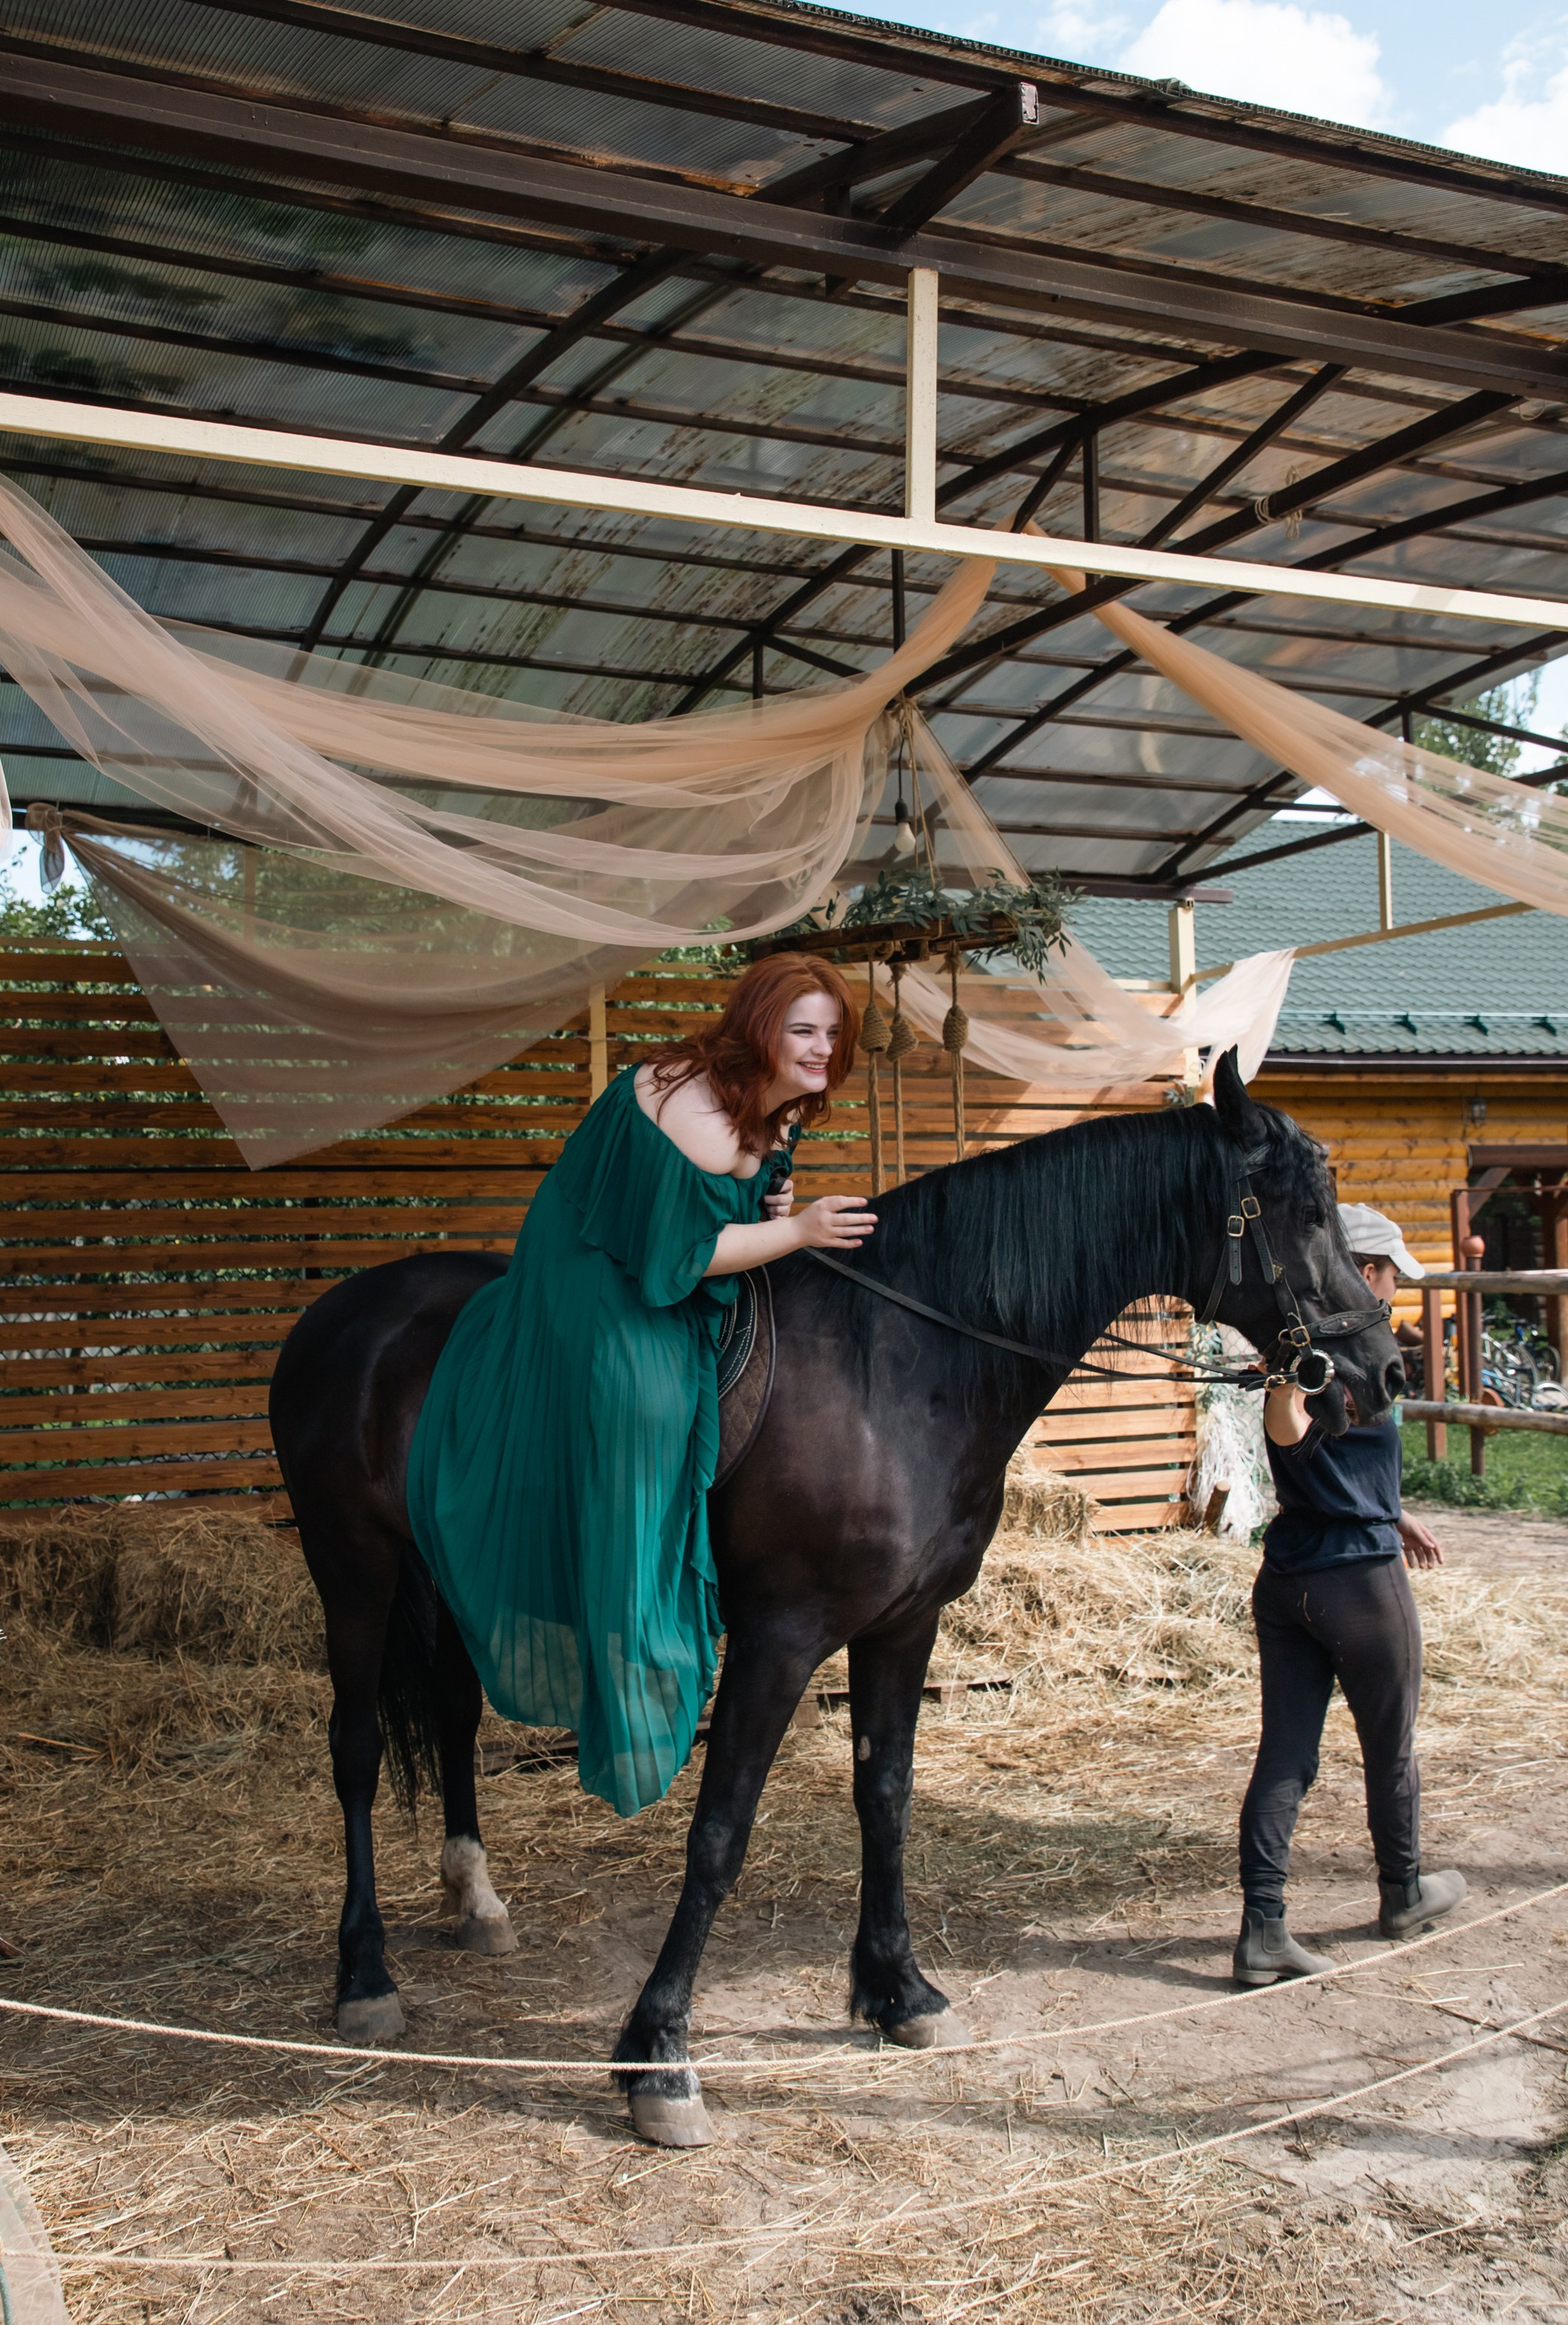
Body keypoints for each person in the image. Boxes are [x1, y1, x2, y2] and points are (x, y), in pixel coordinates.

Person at [406, 954, 877, 1818]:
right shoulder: (693, 1107)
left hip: (663, 1262)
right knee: (647, 1405)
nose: (820, 1048)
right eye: (802, 1029)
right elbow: (685, 1254)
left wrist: (776, 1207)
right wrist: (802, 1231)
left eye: (832, 1032)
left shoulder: (776, 1105)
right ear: (760, 1028)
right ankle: (631, 1641)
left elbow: (741, 1197)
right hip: (598, 1278)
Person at [1233, 1201, 1468, 1985]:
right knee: (1389, 1751)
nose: (1395, 1288)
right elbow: (1292, 1432)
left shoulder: (1296, 1344)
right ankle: (1401, 1891)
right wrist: (1281, 1395)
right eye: (1391, 1273)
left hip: (1290, 1574)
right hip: (1358, 1585)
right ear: (1362, 1271)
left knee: (1285, 1758)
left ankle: (1262, 1927)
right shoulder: (1352, 1353)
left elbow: (1321, 1451)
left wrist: (1392, 1507)